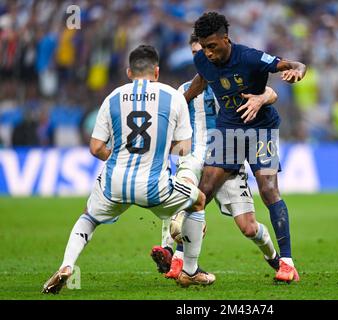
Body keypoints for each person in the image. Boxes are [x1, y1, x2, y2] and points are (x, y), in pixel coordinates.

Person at [42, 45, 214, 293]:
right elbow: (184, 149)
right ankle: (190, 271)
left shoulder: (112, 97)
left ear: (128, 72)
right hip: (154, 185)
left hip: (115, 182)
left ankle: (67, 265)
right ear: (156, 71)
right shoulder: (173, 96)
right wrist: (159, 148)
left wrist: (120, 156)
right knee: (198, 200)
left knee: (88, 217)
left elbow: (95, 147)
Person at [183, 12, 307, 282]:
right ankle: (182, 262)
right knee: (202, 192)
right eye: (203, 47)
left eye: (212, 46)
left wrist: (297, 70)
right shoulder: (203, 60)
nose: (208, 52)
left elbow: (293, 63)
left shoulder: (250, 57)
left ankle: (286, 263)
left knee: (268, 189)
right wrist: (181, 101)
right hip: (227, 132)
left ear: (225, 39)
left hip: (261, 129)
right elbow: (202, 79)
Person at [151, 34, 281, 280]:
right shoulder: (184, 90)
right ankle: (172, 256)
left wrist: (262, 97)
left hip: (226, 156)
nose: (202, 56)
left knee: (249, 227)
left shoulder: (234, 80)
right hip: (195, 154)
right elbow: (172, 124)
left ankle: (274, 257)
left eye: (205, 50)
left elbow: (270, 93)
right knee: (185, 194)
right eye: (195, 53)